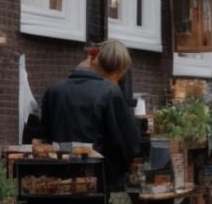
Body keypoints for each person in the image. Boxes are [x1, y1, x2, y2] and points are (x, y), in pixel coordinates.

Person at [37, 38, 142, 192]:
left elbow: (44, 138)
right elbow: (130, 144)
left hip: (57, 183)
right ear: (120, 71)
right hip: (98, 183)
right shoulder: (110, 93)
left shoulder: (53, 91)